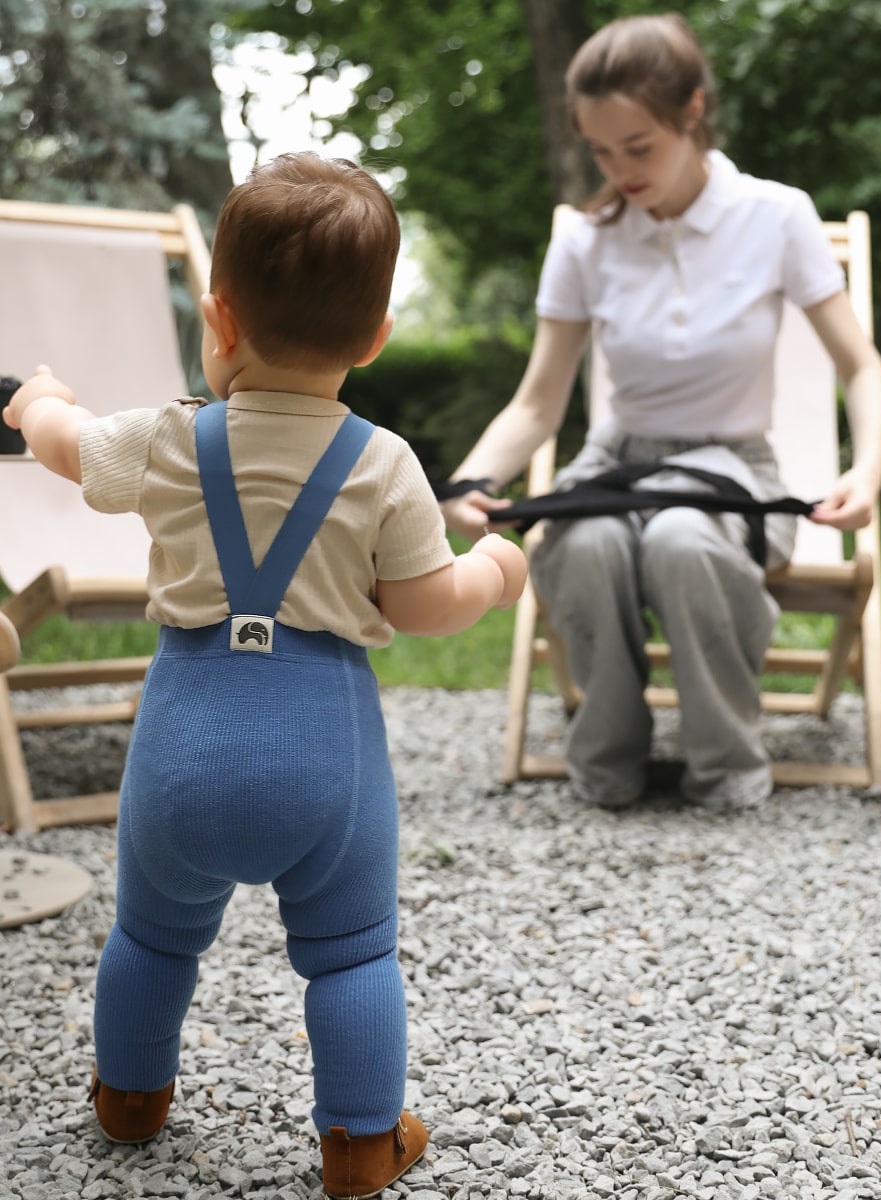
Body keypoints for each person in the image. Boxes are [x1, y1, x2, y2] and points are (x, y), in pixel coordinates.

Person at [4, 152, 526, 1199]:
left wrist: (36, 404)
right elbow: (424, 607)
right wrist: (498, 570)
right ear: (375, 340)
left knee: (151, 938)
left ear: (218, 320)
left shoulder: (166, 438)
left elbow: (65, 446)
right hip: (322, 755)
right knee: (350, 958)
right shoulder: (384, 465)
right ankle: (359, 1143)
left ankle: (131, 1099)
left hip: (180, 749)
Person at [441, 12, 881, 813]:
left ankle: (726, 766)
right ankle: (608, 766)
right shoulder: (584, 240)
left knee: (685, 540)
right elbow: (539, 401)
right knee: (583, 542)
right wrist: (474, 479)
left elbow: (860, 366)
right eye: (600, 152)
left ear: (691, 109)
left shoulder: (776, 215)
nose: (619, 171)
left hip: (732, 467)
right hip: (617, 463)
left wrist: (866, 468)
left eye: (637, 147)